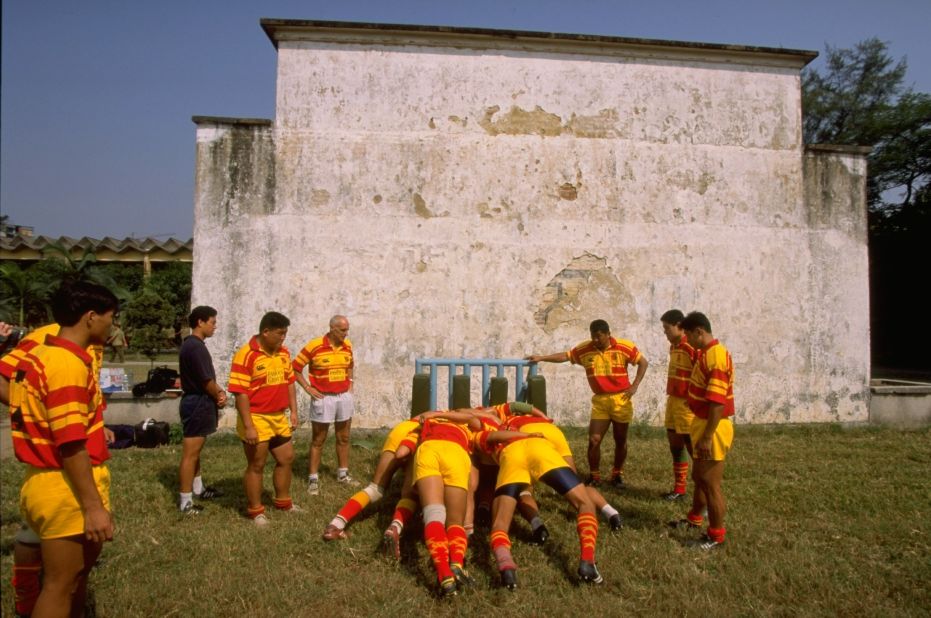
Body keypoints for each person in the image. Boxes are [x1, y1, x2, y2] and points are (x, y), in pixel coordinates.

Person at [6, 281, 118, 617]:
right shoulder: (66, 364)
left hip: (46, 481)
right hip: (63, 487)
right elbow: (70, 444)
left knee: (74, 578)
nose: (111, 325)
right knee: (60, 583)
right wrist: (93, 506)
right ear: (90, 317)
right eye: (110, 317)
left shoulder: (41, 353)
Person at [473, 420, 606, 589]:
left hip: (510, 455)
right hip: (537, 446)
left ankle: (506, 566)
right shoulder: (506, 424)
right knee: (584, 502)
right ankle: (588, 561)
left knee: (499, 524)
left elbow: (484, 433)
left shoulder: (475, 436)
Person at [526, 318, 649, 488]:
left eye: (599, 336)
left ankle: (617, 474)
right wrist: (542, 358)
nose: (595, 340)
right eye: (593, 336)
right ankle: (594, 476)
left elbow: (643, 362)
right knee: (594, 439)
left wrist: (634, 386)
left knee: (620, 439)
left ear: (608, 334)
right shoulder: (585, 349)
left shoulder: (624, 346)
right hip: (600, 401)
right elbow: (565, 356)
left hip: (621, 399)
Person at [228, 311, 301, 526]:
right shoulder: (247, 354)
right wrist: (249, 426)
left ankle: (284, 502)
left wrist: (294, 412)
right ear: (265, 331)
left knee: (286, 458)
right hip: (257, 417)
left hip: (279, 416)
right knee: (257, 464)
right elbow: (240, 393)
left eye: (285, 334)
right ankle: (256, 510)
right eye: (279, 334)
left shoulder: (284, 353)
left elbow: (289, 383)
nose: (282, 338)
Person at [669, 311, 735, 550]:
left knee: (710, 483)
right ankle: (695, 518)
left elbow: (718, 403)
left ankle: (715, 536)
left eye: (688, 333)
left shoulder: (715, 357)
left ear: (699, 332)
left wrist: (707, 436)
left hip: (712, 427)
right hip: (702, 423)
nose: (686, 337)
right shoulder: (705, 354)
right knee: (699, 478)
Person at [322, 418, 419, 540]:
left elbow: (422, 417)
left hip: (402, 429)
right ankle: (394, 528)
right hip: (420, 436)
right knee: (409, 495)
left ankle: (335, 524)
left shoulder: (435, 414)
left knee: (375, 488)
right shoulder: (448, 420)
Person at [292, 314, 355, 494]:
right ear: (332, 328)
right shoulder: (315, 346)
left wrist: (350, 383)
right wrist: (307, 388)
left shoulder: (347, 346)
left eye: (347, 329)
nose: (346, 333)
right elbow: (295, 368)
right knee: (318, 439)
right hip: (323, 397)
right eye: (343, 330)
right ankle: (313, 478)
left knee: (343, 437)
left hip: (343, 396)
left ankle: (343, 473)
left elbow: (350, 364)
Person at [177, 306, 228, 514]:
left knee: (196, 452)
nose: (214, 326)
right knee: (191, 453)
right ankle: (185, 501)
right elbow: (206, 380)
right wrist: (219, 395)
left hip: (199, 401)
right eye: (212, 322)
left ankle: (198, 488)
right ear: (200, 322)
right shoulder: (195, 347)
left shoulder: (192, 345)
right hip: (198, 402)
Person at [660, 309, 698, 501]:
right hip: (673, 401)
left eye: (667, 328)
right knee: (675, 445)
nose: (665, 332)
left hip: (687, 404)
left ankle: (703, 493)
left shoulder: (691, 346)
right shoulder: (674, 346)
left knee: (693, 448)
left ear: (679, 326)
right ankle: (679, 488)